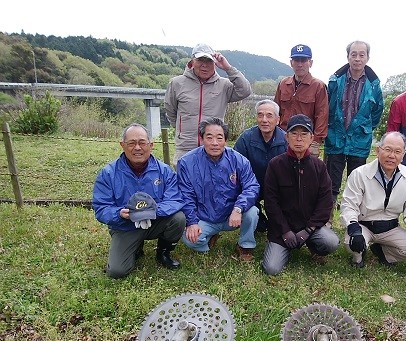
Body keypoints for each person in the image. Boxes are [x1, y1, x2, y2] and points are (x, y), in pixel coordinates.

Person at [93, 123, 186, 278]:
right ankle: (136, 248)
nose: (137, 148)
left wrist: (152, 211)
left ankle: (163, 252)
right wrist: (119, 213)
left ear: (151, 145)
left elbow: (175, 199)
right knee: (117, 271)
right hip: (126, 225)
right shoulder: (108, 173)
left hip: (155, 220)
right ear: (122, 145)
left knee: (178, 218)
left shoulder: (164, 171)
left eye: (142, 142)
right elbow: (101, 208)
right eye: (131, 143)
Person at [262, 114, 339, 275]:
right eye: (294, 133)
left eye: (304, 134)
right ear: (286, 137)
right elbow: (270, 203)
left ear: (311, 138)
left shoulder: (319, 167)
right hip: (282, 230)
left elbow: (325, 203)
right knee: (271, 268)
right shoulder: (275, 165)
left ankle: (313, 246)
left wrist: (308, 230)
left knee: (331, 242)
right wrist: (285, 231)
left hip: (310, 228)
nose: (299, 139)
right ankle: (284, 247)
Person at [177, 117, 260, 262]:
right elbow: (185, 195)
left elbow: (251, 186)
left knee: (252, 212)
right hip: (205, 217)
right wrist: (192, 222)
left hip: (232, 216)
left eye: (219, 138)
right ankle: (209, 239)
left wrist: (238, 208)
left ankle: (245, 245)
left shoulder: (238, 160)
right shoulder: (186, 162)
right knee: (189, 239)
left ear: (226, 140)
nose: (214, 143)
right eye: (209, 137)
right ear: (202, 139)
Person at [339, 131, 406, 268]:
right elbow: (349, 205)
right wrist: (354, 229)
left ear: (403, 155)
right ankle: (358, 257)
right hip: (364, 226)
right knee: (352, 243)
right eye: (388, 150)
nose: (392, 156)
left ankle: (383, 252)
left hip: (390, 228)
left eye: (397, 151)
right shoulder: (359, 174)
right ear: (378, 150)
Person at [165, 43, 252, 165]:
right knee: (184, 177)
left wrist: (228, 68)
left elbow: (245, 91)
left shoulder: (224, 85)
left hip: (214, 149)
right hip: (185, 148)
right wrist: (182, 131)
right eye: (200, 60)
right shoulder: (176, 83)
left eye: (209, 61)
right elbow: (171, 111)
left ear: (215, 63)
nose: (204, 65)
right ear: (192, 61)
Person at [325, 40, 384, 210]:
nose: (357, 58)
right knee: (330, 183)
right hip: (336, 137)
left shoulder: (374, 85)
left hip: (359, 139)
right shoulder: (335, 81)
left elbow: (377, 112)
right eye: (354, 54)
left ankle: (353, 216)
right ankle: (327, 217)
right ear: (348, 57)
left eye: (361, 55)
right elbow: (327, 106)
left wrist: (364, 128)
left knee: (357, 182)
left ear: (367, 58)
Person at [233, 99, 288, 232]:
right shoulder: (246, 138)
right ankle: (258, 220)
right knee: (260, 226)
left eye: (269, 116)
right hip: (251, 186)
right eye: (260, 115)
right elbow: (234, 166)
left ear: (278, 120)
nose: (264, 120)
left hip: (277, 188)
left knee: (279, 223)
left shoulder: (286, 140)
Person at [274, 44, 328, 157]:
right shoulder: (283, 84)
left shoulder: (318, 86)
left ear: (310, 63)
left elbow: (322, 116)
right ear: (291, 63)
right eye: (296, 60)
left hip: (305, 140)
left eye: (303, 60)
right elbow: (275, 112)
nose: (299, 64)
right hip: (283, 138)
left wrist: (315, 142)